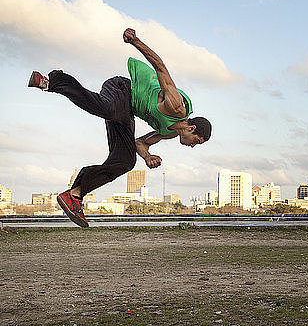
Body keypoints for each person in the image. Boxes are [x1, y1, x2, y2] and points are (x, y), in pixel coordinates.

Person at [27, 28, 211, 227]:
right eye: (197, 142)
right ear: (191, 128)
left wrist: (147, 157)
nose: (193, 146)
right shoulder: (176, 106)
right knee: (108, 109)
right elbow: (160, 67)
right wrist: (135, 41)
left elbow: (140, 142)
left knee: (125, 161)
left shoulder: (168, 133)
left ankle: (75, 195)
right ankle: (52, 81)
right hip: (121, 89)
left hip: (126, 111)